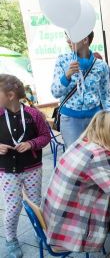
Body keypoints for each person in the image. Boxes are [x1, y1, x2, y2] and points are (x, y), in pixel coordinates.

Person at [42, 111, 110, 255]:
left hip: (55, 217)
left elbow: (100, 170)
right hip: (67, 227)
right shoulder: (100, 155)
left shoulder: (84, 142)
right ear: (109, 134)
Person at [0, 74, 51, 258]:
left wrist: (32, 144)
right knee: (13, 208)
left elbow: (46, 136)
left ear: (11, 95)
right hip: (7, 172)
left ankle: (41, 232)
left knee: (35, 203)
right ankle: (11, 238)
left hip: (32, 168)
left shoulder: (33, 114)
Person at [51, 31, 110, 147]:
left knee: (97, 156)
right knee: (74, 159)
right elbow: (55, 92)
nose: (68, 40)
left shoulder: (101, 65)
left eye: (71, 37)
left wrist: (109, 118)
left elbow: (106, 94)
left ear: (85, 40)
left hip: (95, 119)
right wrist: (67, 76)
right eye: (67, 37)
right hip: (70, 121)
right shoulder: (62, 61)